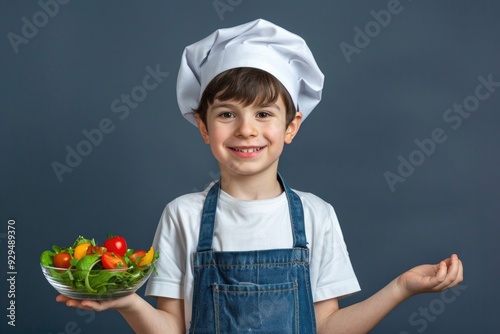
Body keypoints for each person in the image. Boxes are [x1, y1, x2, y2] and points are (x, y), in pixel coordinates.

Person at [57, 18, 463, 333]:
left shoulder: (316, 216)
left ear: (291, 126)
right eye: (227, 114)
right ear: (203, 127)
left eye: (264, 114)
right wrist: (128, 300)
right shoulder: (183, 215)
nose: (246, 129)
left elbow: (326, 327)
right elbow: (171, 328)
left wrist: (402, 288)